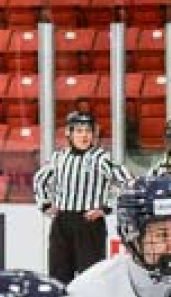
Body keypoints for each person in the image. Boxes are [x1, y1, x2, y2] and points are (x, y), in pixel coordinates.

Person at [32, 109, 132, 286]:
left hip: (89, 224)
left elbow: (127, 182)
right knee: (58, 275)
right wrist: (45, 204)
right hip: (62, 223)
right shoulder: (59, 157)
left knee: (91, 277)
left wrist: (106, 208)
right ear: (69, 133)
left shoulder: (101, 158)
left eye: (88, 131)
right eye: (79, 131)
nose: (84, 135)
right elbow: (40, 179)